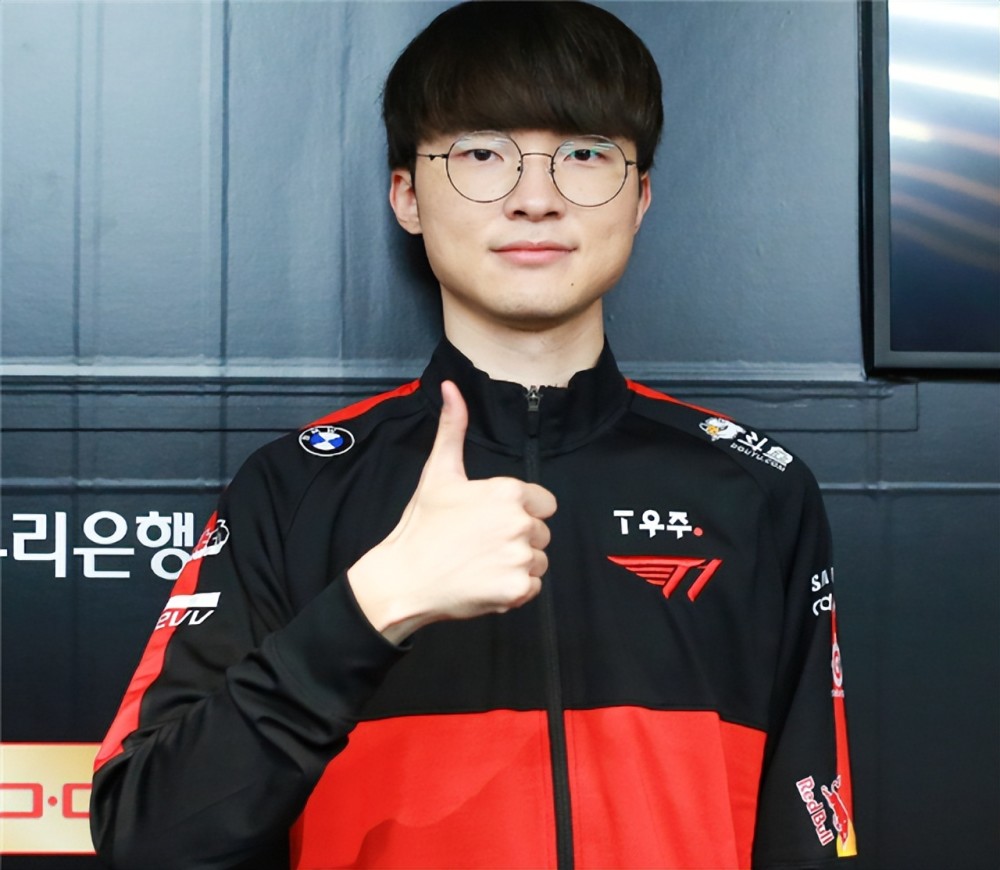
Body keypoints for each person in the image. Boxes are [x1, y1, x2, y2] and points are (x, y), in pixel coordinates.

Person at [90, 2, 857, 868]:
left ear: (640, 197)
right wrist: (375, 603)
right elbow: (147, 841)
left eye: (584, 154)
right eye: (482, 154)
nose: (536, 199)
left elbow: (810, 833)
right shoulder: (293, 489)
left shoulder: (756, 490)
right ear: (406, 197)